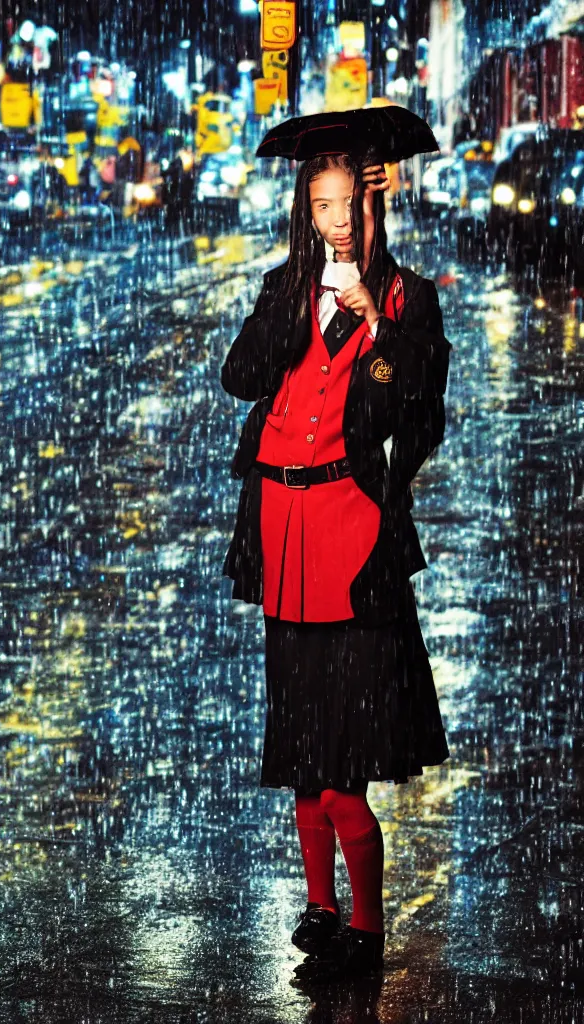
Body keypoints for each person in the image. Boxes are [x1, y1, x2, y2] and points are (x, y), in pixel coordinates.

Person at [220, 146, 451, 981]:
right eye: (323, 206)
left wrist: (377, 327)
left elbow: (415, 405)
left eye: (350, 203)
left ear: (373, 203)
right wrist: (299, 310)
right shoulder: (286, 287)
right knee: (299, 746)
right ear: (305, 211)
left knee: (343, 753)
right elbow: (238, 375)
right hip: (282, 529)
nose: (339, 220)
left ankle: (366, 926)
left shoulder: (404, 297)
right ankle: (319, 907)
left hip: (352, 534)